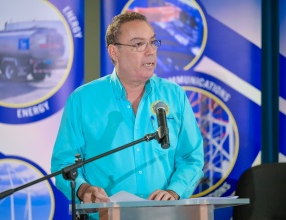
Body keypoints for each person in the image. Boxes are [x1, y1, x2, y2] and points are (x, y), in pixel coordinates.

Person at [51, 11, 204, 217]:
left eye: (152, 42)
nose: (150, 52)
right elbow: (64, 164)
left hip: (164, 216)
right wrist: (83, 189)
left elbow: (191, 157)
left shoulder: (173, 95)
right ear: (114, 52)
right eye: (139, 44)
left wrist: (174, 191)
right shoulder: (83, 100)